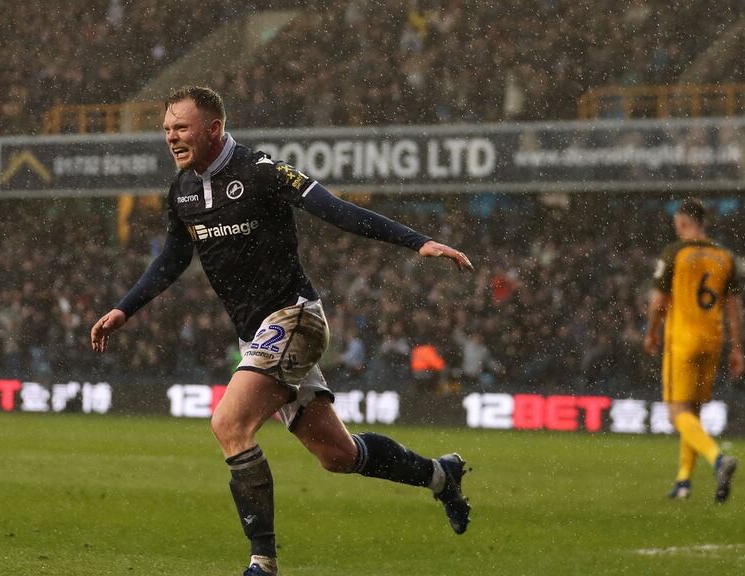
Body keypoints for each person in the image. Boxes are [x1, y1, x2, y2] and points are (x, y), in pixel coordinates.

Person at [91, 86, 474, 576]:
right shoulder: (182, 190)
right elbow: (173, 257)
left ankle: (262, 562)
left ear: (214, 129)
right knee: (338, 455)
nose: (171, 137)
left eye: (181, 128)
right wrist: (125, 309)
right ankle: (442, 476)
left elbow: (336, 210)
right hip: (257, 336)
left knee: (229, 424)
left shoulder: (261, 172)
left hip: (295, 318)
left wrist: (417, 242)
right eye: (167, 129)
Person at [644, 199, 743, 502]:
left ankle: (717, 458)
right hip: (713, 340)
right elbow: (734, 307)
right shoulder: (724, 256)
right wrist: (737, 348)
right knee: (693, 413)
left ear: (683, 222)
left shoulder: (675, 252)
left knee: (677, 414)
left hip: (683, 340)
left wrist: (651, 332)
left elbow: (659, 302)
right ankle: (684, 481)